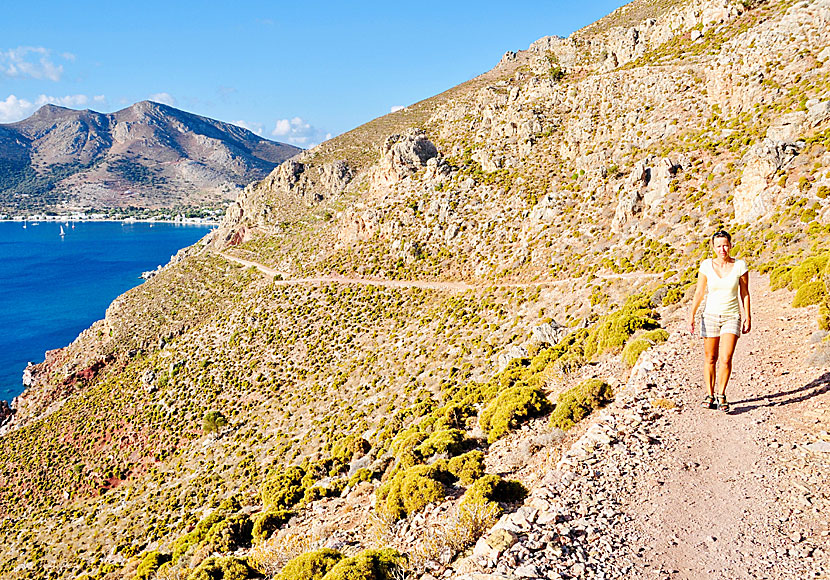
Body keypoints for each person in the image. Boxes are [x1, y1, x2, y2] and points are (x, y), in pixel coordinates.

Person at [687, 230, 751, 412]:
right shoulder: (706, 266)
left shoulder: (740, 266)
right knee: (710, 358)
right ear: (713, 247)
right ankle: (710, 394)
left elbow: (744, 293)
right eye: (718, 246)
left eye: (725, 245)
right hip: (710, 316)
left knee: (726, 358)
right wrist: (691, 315)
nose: (722, 249)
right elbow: (699, 292)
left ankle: (721, 394)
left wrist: (748, 316)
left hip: (732, 316)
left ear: (731, 245)